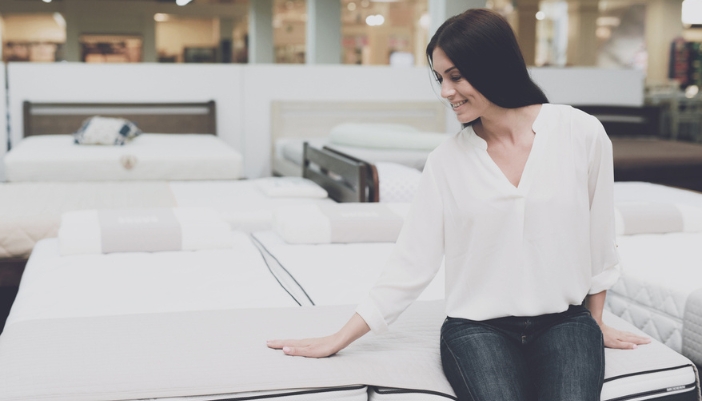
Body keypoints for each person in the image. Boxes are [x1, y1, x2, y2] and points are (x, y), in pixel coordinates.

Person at [267, 8, 650, 400]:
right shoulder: (446, 162)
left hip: (565, 322)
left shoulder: (580, 133)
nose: (446, 91)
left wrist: (596, 320)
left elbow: (599, 237)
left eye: (456, 76)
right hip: (477, 328)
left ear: (493, 66)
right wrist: (338, 338)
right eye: (439, 78)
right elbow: (410, 265)